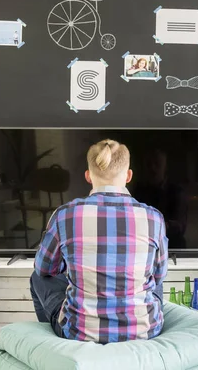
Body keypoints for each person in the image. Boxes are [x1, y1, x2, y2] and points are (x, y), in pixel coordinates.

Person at [30, 139, 168, 344]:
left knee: (37, 278)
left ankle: (58, 347)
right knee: (154, 280)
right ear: (128, 175)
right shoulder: (153, 217)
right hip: (144, 332)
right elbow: (159, 275)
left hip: (79, 333)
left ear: (88, 176)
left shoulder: (65, 215)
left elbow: (43, 269)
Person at [132, 149, 188, 249]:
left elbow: (179, 226)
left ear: (165, 168)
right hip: (145, 250)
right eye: (149, 164)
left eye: (157, 164)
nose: (152, 168)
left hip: (172, 250)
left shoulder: (176, 191)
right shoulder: (139, 190)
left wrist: (153, 226)